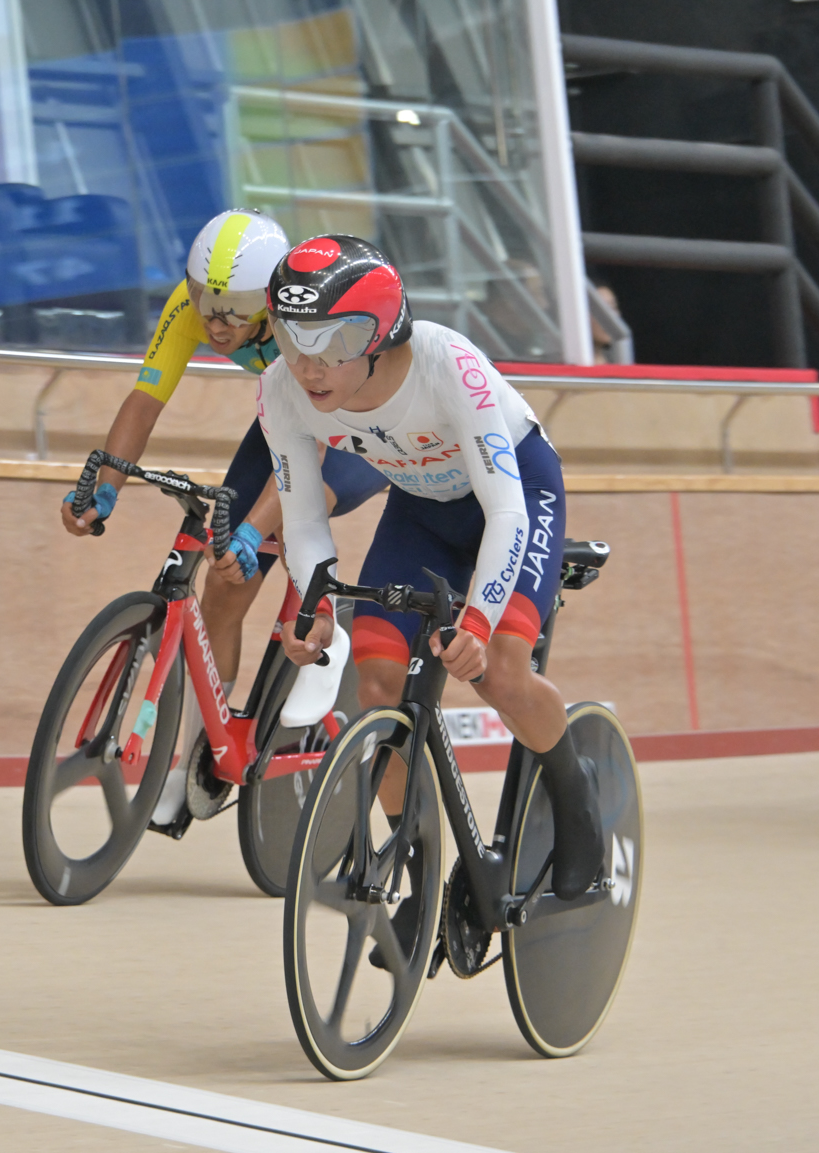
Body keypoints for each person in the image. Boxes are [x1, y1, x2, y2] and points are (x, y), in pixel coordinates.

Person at [229, 234, 604, 902]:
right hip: (422, 511)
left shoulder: (446, 362)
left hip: (514, 498)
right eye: (291, 340)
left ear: (377, 339)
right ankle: (422, 867)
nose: (310, 367)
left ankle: (577, 805)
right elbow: (305, 518)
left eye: (333, 344)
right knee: (375, 686)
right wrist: (313, 610)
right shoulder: (281, 390)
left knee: (504, 675)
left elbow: (508, 512)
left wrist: (482, 621)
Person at [60, 208, 389, 828]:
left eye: (237, 307)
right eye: (206, 298)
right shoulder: (191, 311)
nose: (217, 320)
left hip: (361, 430)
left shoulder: (299, 329)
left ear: (270, 301)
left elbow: (309, 454)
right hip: (290, 421)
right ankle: (199, 756)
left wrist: (253, 528)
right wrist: (106, 485)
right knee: (224, 585)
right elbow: (145, 399)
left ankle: (325, 635)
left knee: (297, 507)